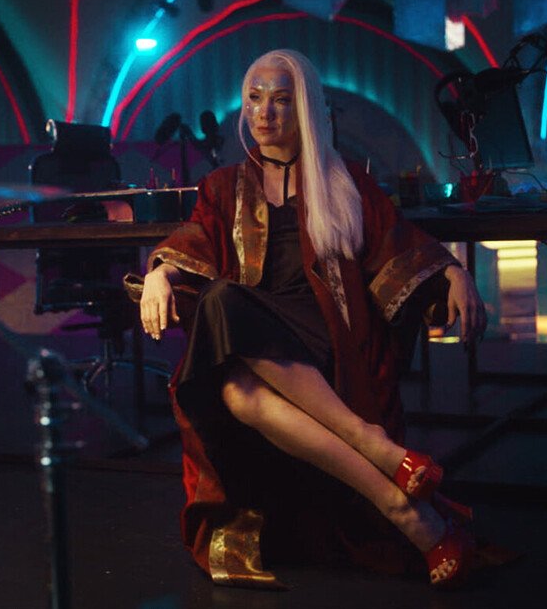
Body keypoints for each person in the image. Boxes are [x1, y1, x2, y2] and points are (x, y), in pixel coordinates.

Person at [136, 49, 487, 588]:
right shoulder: (223, 186)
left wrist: (453, 272)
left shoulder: (344, 182)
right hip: (255, 336)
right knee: (234, 383)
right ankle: (399, 494)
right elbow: (196, 241)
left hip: (323, 337)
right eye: (255, 98)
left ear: (304, 108)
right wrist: (161, 272)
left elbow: (397, 243)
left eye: (281, 100)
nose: (264, 112)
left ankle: (383, 464)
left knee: (225, 309)